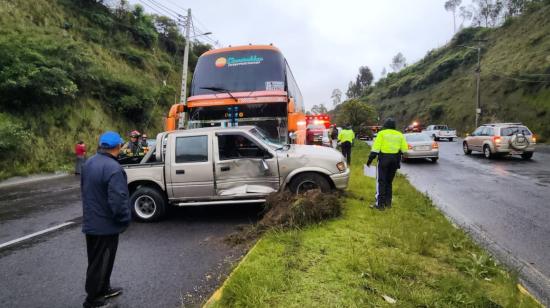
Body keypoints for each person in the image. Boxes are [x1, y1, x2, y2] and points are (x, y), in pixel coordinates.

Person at [81, 131, 131, 308]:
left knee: (98, 260)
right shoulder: (114, 168)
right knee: (100, 262)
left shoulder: (89, 163)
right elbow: (118, 200)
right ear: (118, 146)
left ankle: (104, 288)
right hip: (106, 225)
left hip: (91, 222)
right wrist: (124, 220)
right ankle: (93, 300)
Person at [366, 118, 408, 210]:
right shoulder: (400, 134)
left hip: (384, 160)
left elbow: (376, 148)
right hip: (395, 161)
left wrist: (369, 160)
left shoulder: (382, 133)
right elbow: (404, 150)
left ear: (385, 126)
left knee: (381, 181)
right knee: (389, 182)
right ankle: (388, 204)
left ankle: (380, 205)